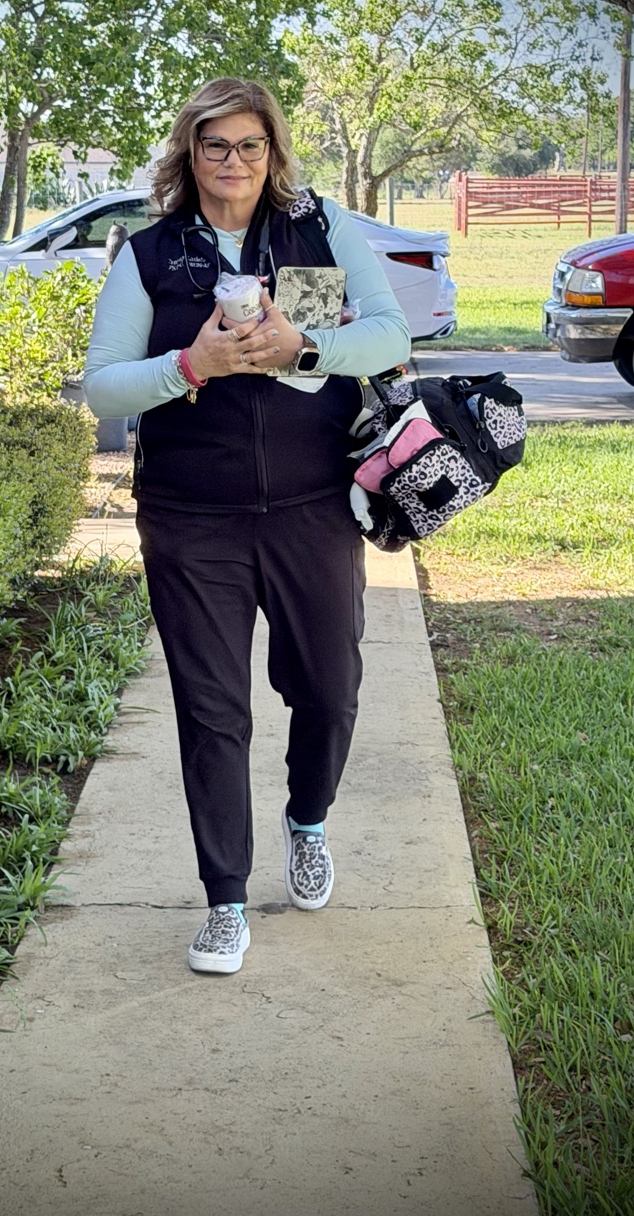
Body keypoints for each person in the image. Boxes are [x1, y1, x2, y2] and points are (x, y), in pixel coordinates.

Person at [84, 78, 410, 974]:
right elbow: (103, 384)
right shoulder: (150, 256)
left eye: (251, 146)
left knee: (330, 688)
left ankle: (308, 822)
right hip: (194, 520)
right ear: (189, 155)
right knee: (214, 711)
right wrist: (190, 364)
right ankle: (225, 899)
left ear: (274, 153)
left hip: (313, 509)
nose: (234, 163)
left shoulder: (320, 230)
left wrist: (304, 348)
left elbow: (389, 333)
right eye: (215, 146)